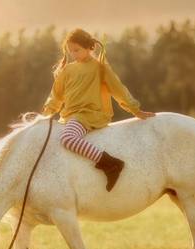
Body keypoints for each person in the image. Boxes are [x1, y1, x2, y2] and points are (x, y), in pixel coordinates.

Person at [41, 28, 155, 192]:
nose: (73, 54)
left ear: (89, 47)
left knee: (67, 138)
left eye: (77, 50)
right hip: (70, 116)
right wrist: (44, 116)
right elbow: (55, 96)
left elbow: (118, 90)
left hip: (90, 115)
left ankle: (110, 163)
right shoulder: (67, 70)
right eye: (71, 51)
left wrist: (136, 110)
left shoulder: (99, 68)